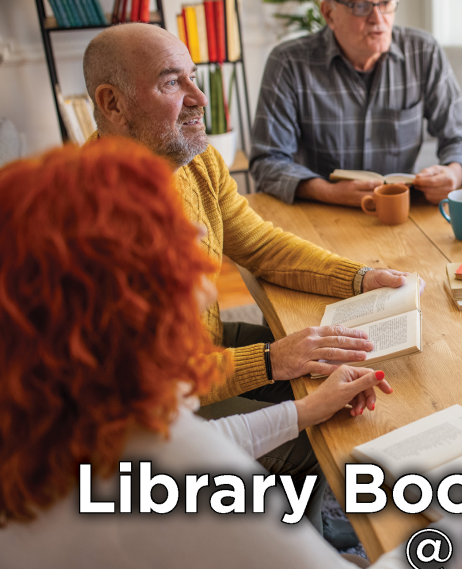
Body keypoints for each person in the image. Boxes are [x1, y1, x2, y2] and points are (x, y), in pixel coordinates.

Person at [0, 139, 462, 568]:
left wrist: (305, 411)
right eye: (173, 244)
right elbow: (194, 462)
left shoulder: (55, 414)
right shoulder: (181, 473)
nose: (203, 262)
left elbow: (198, 442)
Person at [82, 23, 422, 408]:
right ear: (113, 104)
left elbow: (259, 244)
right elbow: (142, 385)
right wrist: (271, 360)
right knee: (330, 444)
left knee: (349, 364)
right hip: (153, 414)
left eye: (192, 77)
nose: (199, 98)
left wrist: (360, 278)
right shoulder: (88, 217)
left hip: (206, 350)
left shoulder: (196, 159)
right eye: (171, 84)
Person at [250, 0, 462, 207]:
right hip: (320, 212)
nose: (378, 19)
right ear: (329, 13)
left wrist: (453, 173)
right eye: (361, 6)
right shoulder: (288, 63)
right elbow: (267, 161)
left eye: (386, 3)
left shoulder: (423, 51)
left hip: (400, 211)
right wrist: (330, 193)